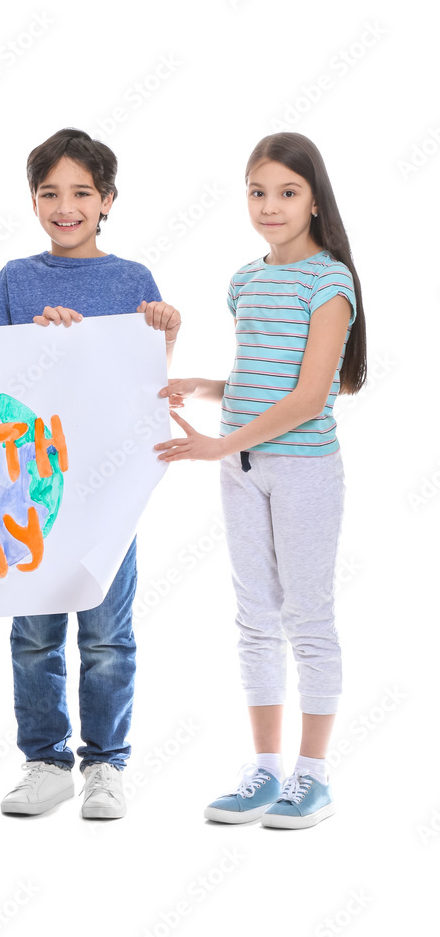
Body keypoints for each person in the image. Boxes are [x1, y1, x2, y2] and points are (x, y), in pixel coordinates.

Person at [154, 132, 367, 829]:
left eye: (287, 192)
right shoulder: (245, 280)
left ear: (313, 200)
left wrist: (220, 446)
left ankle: (314, 775)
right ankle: (266, 771)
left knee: (308, 617)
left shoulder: (329, 279)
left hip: (302, 469)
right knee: (254, 618)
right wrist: (209, 386)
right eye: (257, 192)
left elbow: (310, 398)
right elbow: (262, 375)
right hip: (244, 469)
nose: (269, 206)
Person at [0, 128, 180, 819]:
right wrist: (35, 339)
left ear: (107, 201)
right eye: (50, 193)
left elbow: (147, 386)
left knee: (105, 634)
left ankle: (106, 765)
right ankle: (44, 761)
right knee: (33, 633)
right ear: (33, 201)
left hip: (107, 486)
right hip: (26, 485)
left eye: (82, 193)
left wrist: (165, 335)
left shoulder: (131, 281)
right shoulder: (14, 279)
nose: (66, 206)